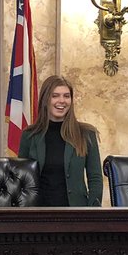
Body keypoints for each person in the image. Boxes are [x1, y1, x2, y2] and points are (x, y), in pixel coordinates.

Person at [18, 75, 102, 206]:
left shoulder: (86, 134)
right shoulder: (30, 135)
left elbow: (95, 178)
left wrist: (92, 213)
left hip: (76, 214)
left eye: (66, 96)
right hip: (38, 214)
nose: (61, 101)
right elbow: (21, 178)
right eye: (55, 95)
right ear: (45, 99)